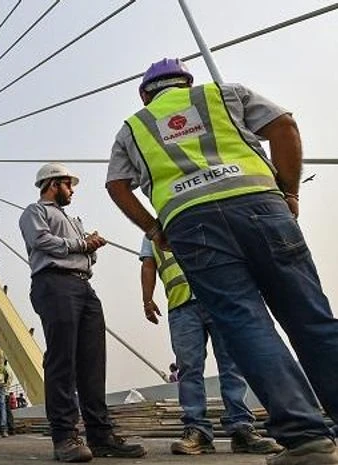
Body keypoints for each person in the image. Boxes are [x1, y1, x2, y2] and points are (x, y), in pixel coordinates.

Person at [105, 57, 338, 464]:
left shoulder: (134, 127)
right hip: (262, 207)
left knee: (246, 324)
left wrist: (153, 229)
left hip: (192, 226)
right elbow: (284, 126)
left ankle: (307, 440)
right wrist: (290, 192)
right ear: (186, 82)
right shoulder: (225, 94)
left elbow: (117, 185)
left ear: (145, 94)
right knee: (311, 318)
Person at [19, 163, 147, 462]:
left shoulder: (72, 219)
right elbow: (41, 241)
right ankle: (64, 437)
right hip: (54, 284)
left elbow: (84, 253)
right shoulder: (35, 212)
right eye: (68, 184)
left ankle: (100, 436)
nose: (72, 190)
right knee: (62, 359)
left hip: (83, 287)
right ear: (53, 184)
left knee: (92, 363)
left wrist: (91, 247)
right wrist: (82, 244)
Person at [140, 237, 282, 455]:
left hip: (220, 298)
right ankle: (196, 430)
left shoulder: (200, 212)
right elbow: (148, 264)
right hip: (182, 306)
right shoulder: (151, 232)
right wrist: (147, 300)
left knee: (232, 365)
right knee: (188, 369)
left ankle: (241, 428)